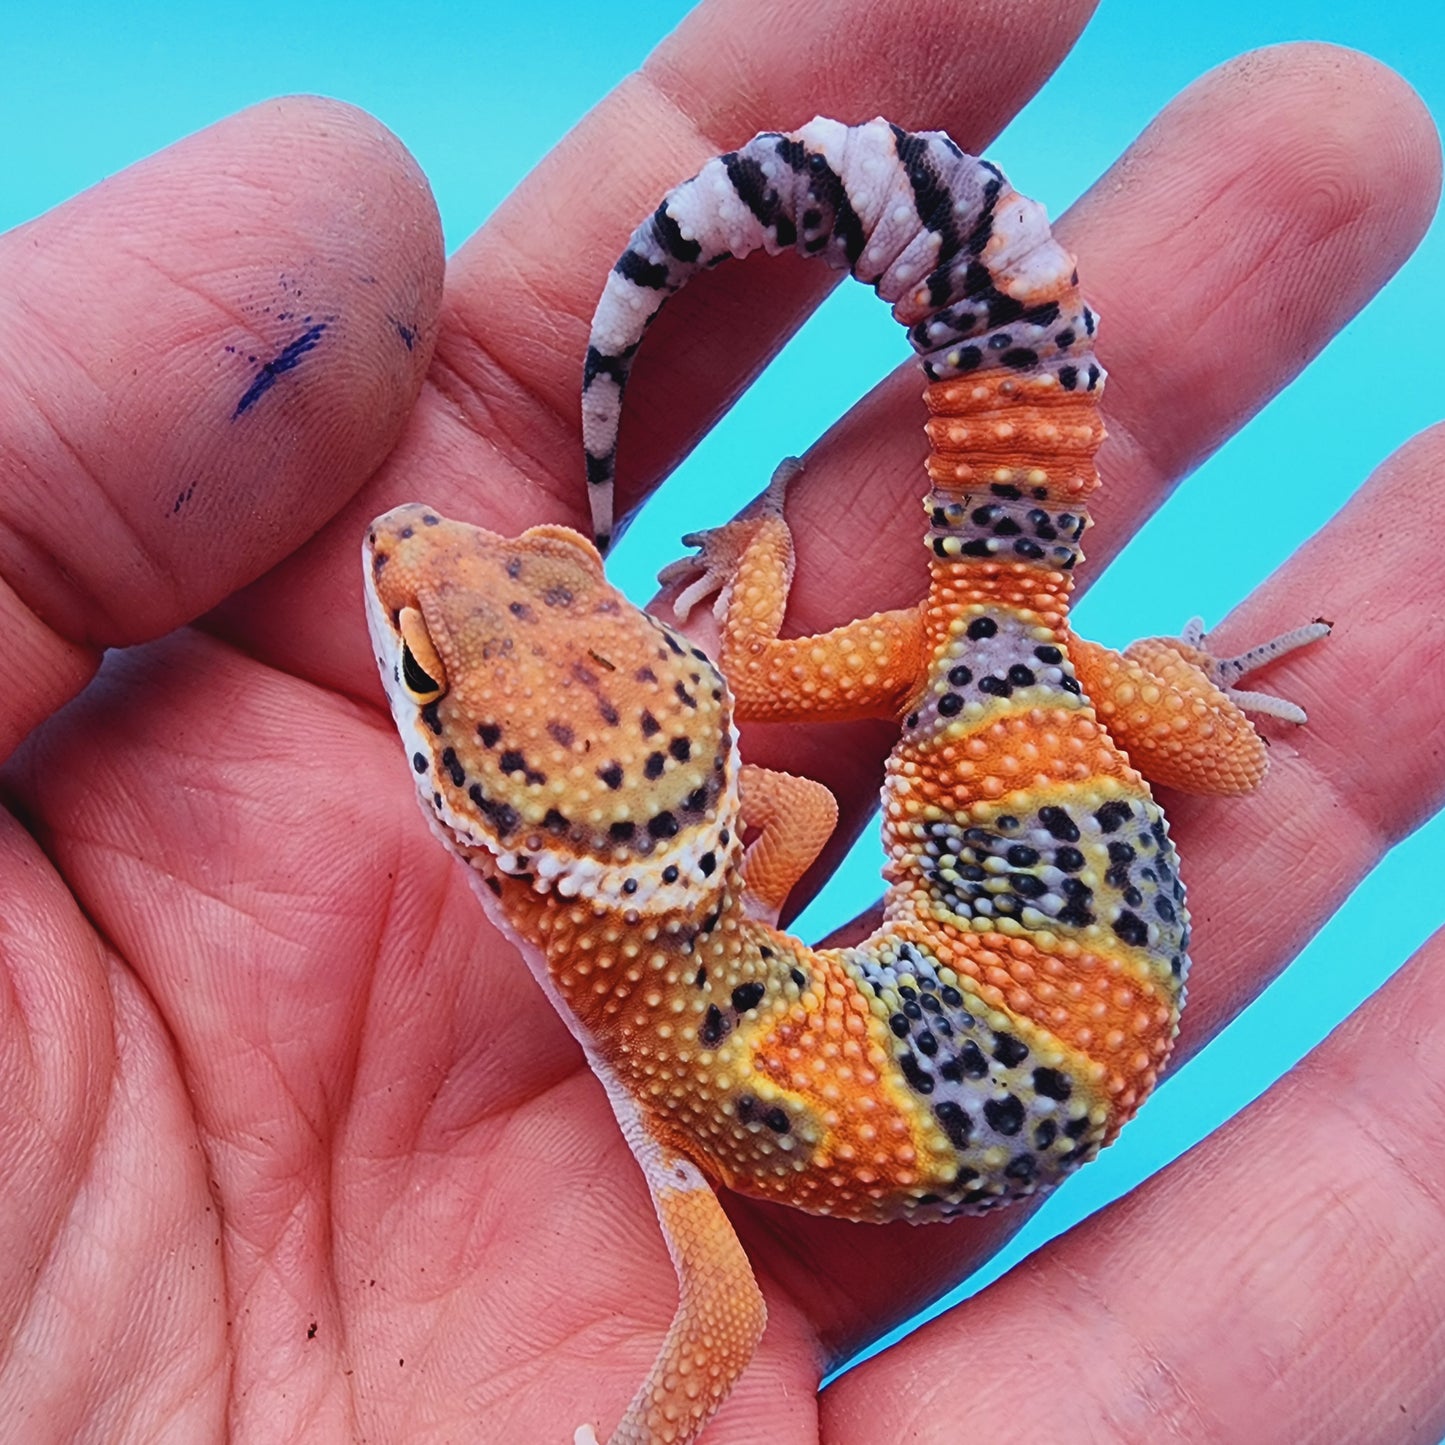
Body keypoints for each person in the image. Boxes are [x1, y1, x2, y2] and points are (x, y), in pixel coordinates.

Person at [2, 2, 1442, 1439]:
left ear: (498, 833)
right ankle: (1161, 681)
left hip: (1030, 768)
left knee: (1099, 724)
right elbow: (794, 816)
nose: (422, 544)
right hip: (1038, 779)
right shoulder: (682, 1023)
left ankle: (1082, 665)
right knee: (1210, 751)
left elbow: (728, 1313)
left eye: (558, 580)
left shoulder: (669, 1076)